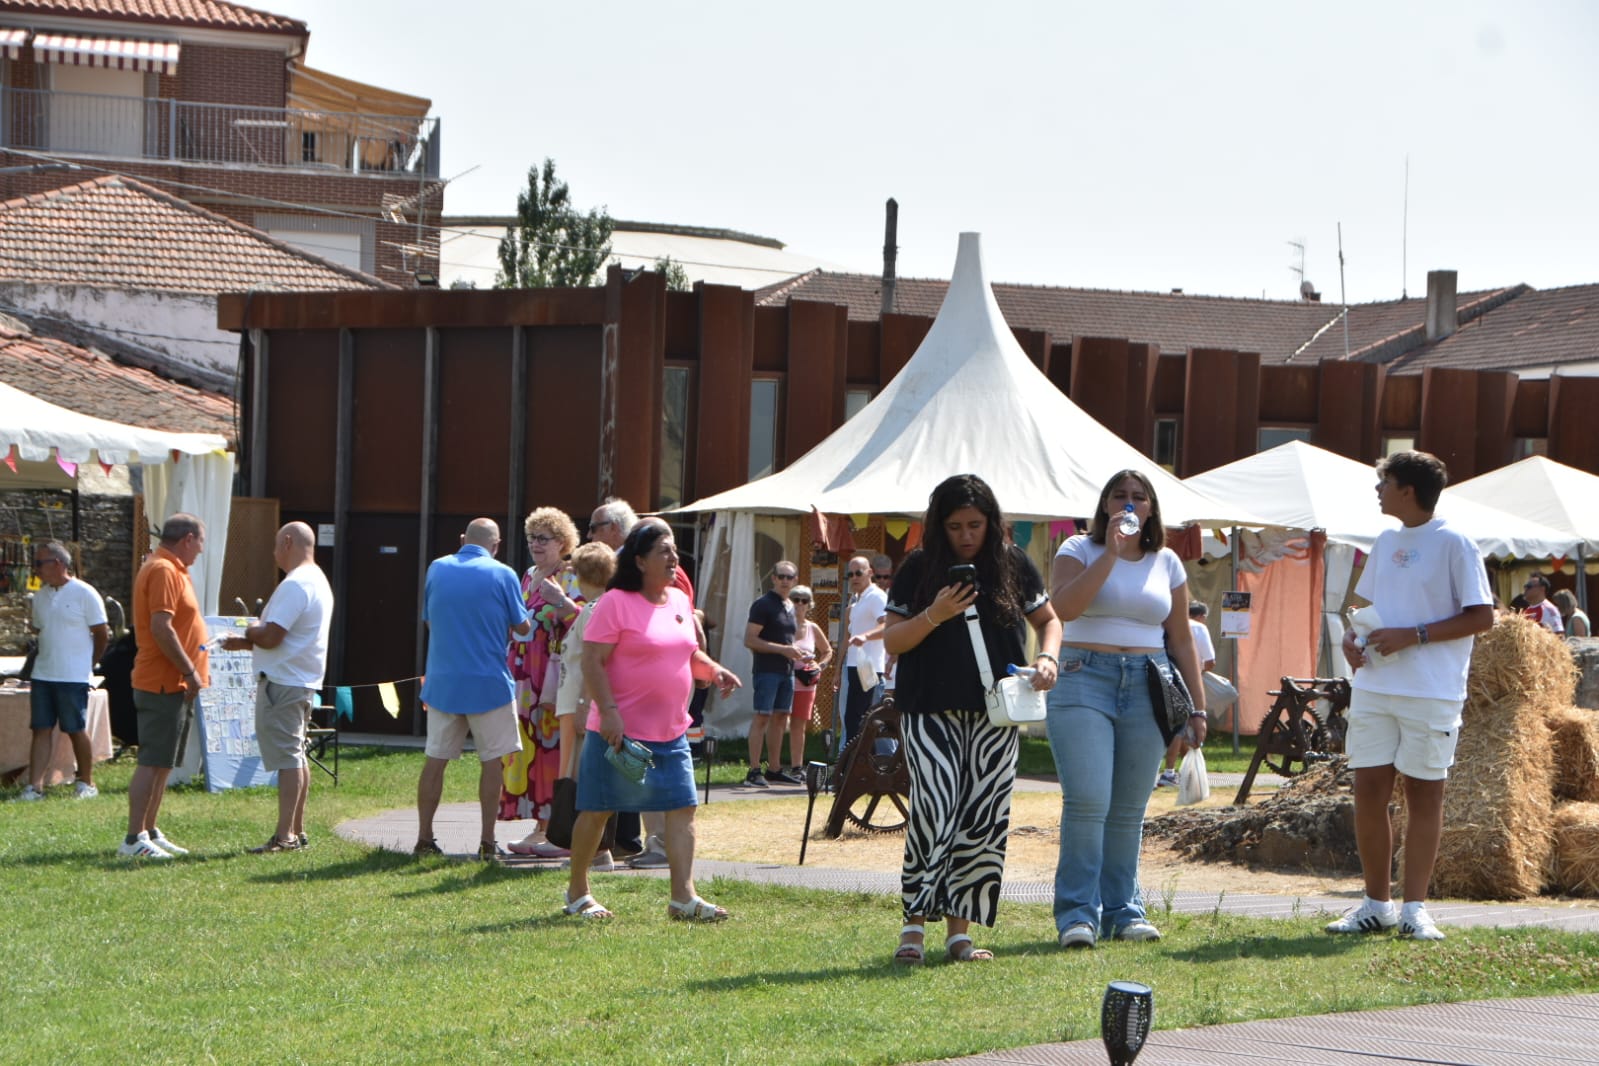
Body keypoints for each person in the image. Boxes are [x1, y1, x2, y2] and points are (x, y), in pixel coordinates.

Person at [883, 474, 1060, 963]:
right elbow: (893, 641)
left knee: (981, 818)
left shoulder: (1013, 564)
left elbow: (1049, 620)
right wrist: (936, 613)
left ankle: (960, 933)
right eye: (956, 525)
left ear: (992, 522)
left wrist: (1048, 658)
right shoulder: (919, 568)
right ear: (939, 525)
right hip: (929, 710)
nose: (966, 534)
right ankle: (912, 927)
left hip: (996, 715)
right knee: (933, 812)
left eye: (976, 525)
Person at [1328, 451, 1494, 941]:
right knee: (1368, 794)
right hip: (1375, 686)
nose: (1377, 491)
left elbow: (1483, 617)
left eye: (1385, 482)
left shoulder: (1456, 543)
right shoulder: (1383, 540)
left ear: (1407, 489)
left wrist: (1414, 634)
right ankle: (1375, 905)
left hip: (1431, 692)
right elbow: (1364, 606)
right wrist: (1350, 638)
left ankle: (1415, 909)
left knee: (1424, 796)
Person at [1046, 470, 1208, 948]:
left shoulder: (1168, 561)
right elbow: (1065, 608)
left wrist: (1196, 708)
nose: (1130, 503)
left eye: (1140, 496)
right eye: (1120, 495)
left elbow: (1180, 639)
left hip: (1147, 681)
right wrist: (1112, 554)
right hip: (1081, 677)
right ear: (1104, 505)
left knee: (1128, 809)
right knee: (1089, 799)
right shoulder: (1078, 549)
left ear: (1153, 508)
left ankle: (1124, 910)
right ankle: (1077, 914)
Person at [562, 522, 741, 920]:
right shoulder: (615, 603)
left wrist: (714, 670)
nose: (674, 558)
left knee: (683, 810)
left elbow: (688, 653)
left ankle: (683, 898)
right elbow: (592, 661)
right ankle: (577, 892)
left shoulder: (678, 601)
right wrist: (608, 713)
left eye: (674, 550)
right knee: (598, 811)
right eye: (664, 551)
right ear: (640, 560)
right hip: (618, 734)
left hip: (671, 731)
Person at [415, 519, 532, 859]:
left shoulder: (436, 568)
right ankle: (487, 841)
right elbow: (522, 626)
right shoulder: (504, 573)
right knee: (492, 764)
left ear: (462, 539)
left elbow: (428, 620)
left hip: (443, 682)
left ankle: (424, 837)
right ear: (496, 546)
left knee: (434, 762)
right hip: (489, 684)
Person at [220, 523, 333, 853]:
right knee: (295, 755)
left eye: (274, 546)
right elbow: (289, 639)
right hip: (298, 680)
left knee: (288, 759)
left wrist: (252, 630)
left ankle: (285, 837)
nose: (273, 554)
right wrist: (245, 643)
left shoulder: (296, 583)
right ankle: (296, 831)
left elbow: (271, 635)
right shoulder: (317, 580)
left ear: (287, 542)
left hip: (283, 684)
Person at [121, 514, 209, 859]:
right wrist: (188, 669)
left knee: (164, 763)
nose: (201, 551)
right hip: (162, 681)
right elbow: (162, 627)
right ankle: (132, 840)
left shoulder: (173, 569)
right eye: (200, 543)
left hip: (175, 683)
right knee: (152, 760)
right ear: (188, 539)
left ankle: (149, 830)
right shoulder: (163, 570)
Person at [501, 507, 582, 856]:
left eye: (543, 538)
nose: (535, 543)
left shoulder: (571, 576)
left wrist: (561, 603)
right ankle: (539, 825)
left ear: (562, 543)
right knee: (528, 751)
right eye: (532, 537)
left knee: (552, 751)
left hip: (550, 679)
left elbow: (584, 621)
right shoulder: (527, 575)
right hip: (521, 676)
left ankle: (553, 828)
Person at [17, 541, 108, 801]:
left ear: (58, 564)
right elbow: (39, 629)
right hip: (43, 673)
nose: (35, 570)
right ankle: (35, 788)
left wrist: (89, 663)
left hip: (73, 676)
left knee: (75, 728)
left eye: (39, 564)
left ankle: (86, 784)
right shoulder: (40, 596)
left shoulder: (85, 593)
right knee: (41, 728)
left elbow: (101, 633)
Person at [743, 560, 802, 786]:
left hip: (786, 671)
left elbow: (787, 639)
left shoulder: (789, 606)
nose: (785, 581)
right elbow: (750, 640)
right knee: (762, 717)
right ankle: (754, 770)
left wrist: (798, 654)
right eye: (782, 577)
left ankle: (774, 768)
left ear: (795, 580)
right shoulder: (763, 605)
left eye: (790, 577)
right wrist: (783, 650)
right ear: (774, 579)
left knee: (780, 718)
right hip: (767, 670)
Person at [1159, 601, 1216, 788]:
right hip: (1188, 678)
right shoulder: (1199, 628)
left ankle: (1184, 771)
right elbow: (1210, 661)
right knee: (1183, 725)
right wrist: (1197, 673)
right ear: (1201, 616)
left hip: (1162, 676)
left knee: (1171, 724)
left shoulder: (1164, 623)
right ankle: (1169, 772)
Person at [837, 553, 887, 747]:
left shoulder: (876, 597)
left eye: (859, 573)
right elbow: (847, 637)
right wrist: (838, 668)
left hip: (868, 664)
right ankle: (858, 766)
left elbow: (887, 625)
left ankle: (858, 766)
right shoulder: (858, 601)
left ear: (870, 573)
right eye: (851, 574)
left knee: (859, 719)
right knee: (855, 718)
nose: (854, 578)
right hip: (856, 663)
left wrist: (866, 636)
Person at [783, 584, 832, 778]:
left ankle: (796, 767)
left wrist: (819, 666)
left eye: (804, 601)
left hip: (805, 683)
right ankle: (773, 766)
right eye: (796, 599)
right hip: (785, 678)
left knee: (799, 725)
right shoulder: (783, 625)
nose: (799, 604)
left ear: (809, 604)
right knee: (778, 722)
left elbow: (827, 651)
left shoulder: (813, 628)